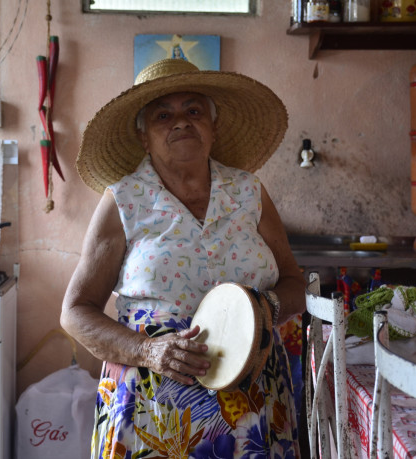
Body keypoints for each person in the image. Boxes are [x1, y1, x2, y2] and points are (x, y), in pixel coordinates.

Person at [61, 58, 306, 457]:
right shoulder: (123, 200)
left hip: (254, 403)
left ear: (213, 128)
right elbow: (75, 311)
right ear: (143, 136)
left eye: (194, 111)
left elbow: (295, 283)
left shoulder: (249, 192)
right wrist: (148, 351)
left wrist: (264, 309)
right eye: (163, 114)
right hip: (154, 407)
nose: (180, 122)